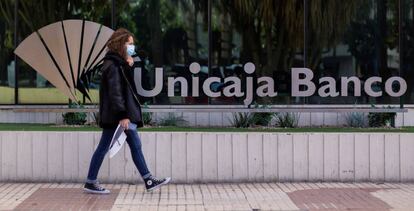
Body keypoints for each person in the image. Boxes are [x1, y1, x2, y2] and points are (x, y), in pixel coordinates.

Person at [83, 28, 171, 194]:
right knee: (105, 147)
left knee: (134, 145)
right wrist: (122, 116)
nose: (133, 47)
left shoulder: (117, 63)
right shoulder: (113, 65)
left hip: (119, 115)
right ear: (121, 45)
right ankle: (91, 181)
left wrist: (127, 64)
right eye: (130, 44)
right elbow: (116, 93)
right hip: (118, 116)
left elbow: (124, 88)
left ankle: (148, 179)